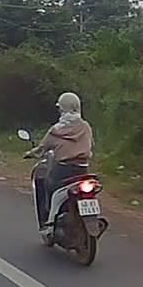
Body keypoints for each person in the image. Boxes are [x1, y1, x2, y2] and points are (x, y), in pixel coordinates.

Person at [28, 91, 94, 232]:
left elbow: (42, 148)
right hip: (82, 169)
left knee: (45, 183)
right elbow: (90, 145)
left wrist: (30, 153)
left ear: (62, 108)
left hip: (63, 170)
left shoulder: (56, 130)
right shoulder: (86, 127)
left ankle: (48, 221)